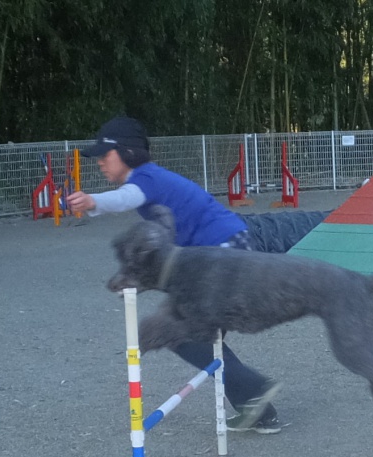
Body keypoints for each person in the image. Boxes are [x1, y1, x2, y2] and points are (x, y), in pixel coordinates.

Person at [67, 116, 282, 434]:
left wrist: (92, 201)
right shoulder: (152, 180)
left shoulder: (147, 178)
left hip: (223, 254)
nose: (99, 162)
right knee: (194, 336)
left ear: (127, 152)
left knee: (177, 332)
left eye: (105, 155)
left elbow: (126, 198)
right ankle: (258, 408)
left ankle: (255, 393)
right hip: (227, 252)